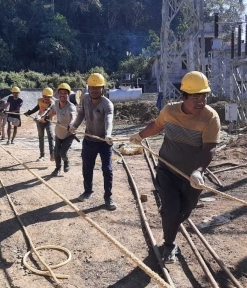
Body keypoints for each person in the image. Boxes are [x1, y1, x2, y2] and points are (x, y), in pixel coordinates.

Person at [130, 71, 221, 263]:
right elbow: (156, 126)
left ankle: (170, 221)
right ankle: (169, 244)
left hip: (191, 177)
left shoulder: (210, 118)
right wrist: (140, 136)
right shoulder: (169, 111)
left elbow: (210, 148)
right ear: (184, 96)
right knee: (171, 209)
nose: (200, 102)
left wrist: (199, 171)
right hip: (167, 170)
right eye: (195, 97)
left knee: (184, 211)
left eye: (203, 96)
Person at [69, 73, 116, 211]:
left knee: (107, 170)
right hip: (89, 140)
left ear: (103, 88)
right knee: (87, 168)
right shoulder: (85, 98)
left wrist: (108, 135)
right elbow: (81, 114)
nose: (94, 90)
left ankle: (108, 197)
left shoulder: (107, 104)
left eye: (98, 87)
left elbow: (109, 119)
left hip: (104, 142)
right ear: (88, 87)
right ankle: (87, 191)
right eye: (92, 87)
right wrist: (74, 126)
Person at [42, 83, 76, 176]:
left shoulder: (71, 106)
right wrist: (48, 116)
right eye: (60, 93)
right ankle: (57, 169)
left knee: (62, 152)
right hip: (58, 133)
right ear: (57, 94)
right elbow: (54, 112)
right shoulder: (56, 103)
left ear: (68, 95)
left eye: (65, 93)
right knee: (56, 153)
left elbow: (73, 117)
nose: (62, 95)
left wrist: (71, 124)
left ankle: (67, 161)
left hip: (69, 134)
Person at [24, 87, 55, 162]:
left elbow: (47, 111)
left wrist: (39, 117)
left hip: (48, 121)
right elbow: (37, 108)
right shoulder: (40, 101)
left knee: (50, 137)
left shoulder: (52, 103)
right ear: (42, 96)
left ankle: (52, 155)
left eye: (48, 97)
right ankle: (42, 156)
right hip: (40, 122)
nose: (46, 98)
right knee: (41, 138)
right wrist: (29, 112)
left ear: (51, 97)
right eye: (44, 97)